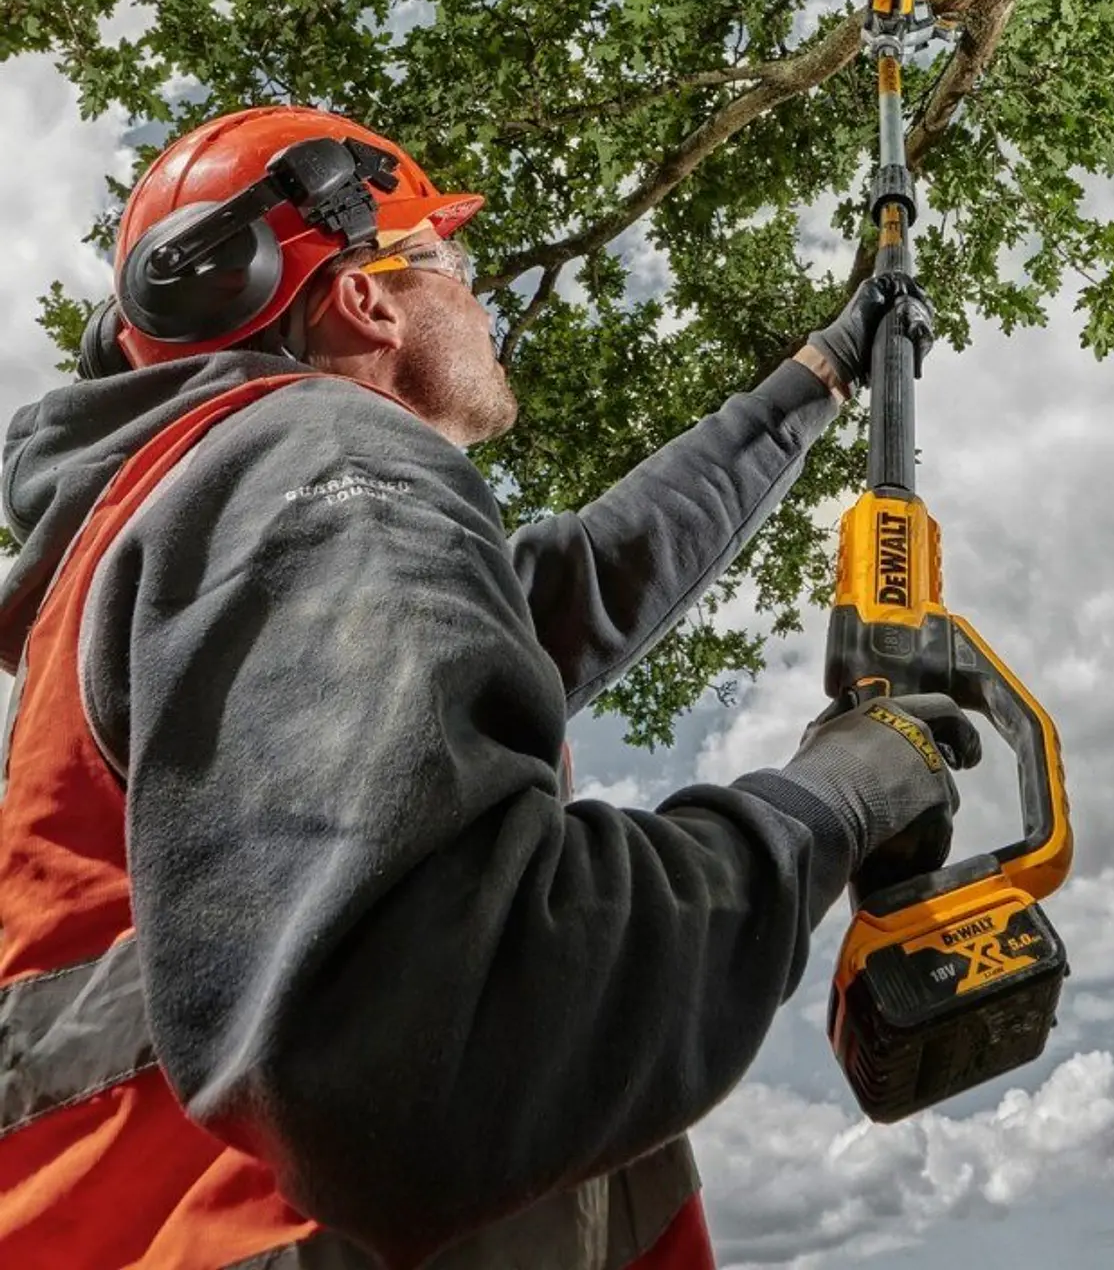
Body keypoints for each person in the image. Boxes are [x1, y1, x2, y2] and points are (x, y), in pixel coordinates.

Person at [0, 106, 975, 1270]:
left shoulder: (190, 539)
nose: (482, 307)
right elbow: (451, 1033)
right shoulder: (317, 459)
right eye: (452, 267)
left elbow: (580, 583)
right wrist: (831, 803)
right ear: (367, 302)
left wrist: (822, 376)